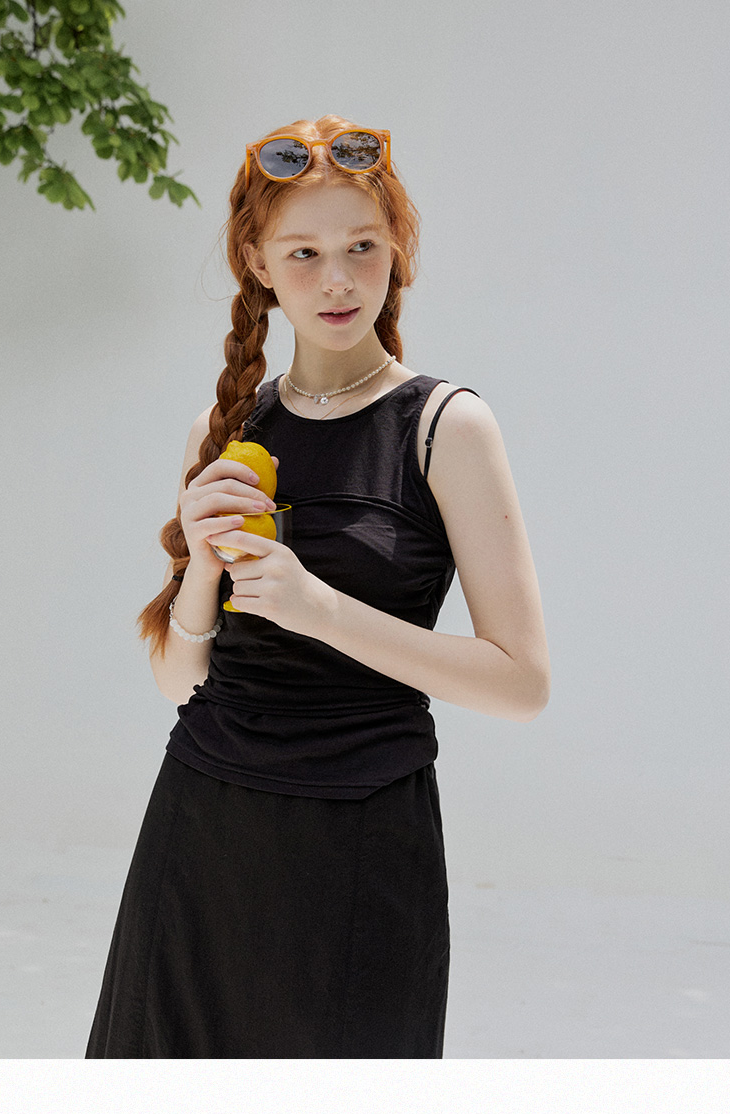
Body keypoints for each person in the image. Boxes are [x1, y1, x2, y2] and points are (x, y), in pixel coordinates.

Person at [87, 119, 549, 1060]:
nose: (338, 280)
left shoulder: (446, 427)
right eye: (304, 253)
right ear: (258, 264)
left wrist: (320, 610)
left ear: (397, 251)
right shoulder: (224, 429)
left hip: (364, 836)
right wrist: (202, 568)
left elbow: (521, 683)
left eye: (361, 247)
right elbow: (182, 683)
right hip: (201, 829)